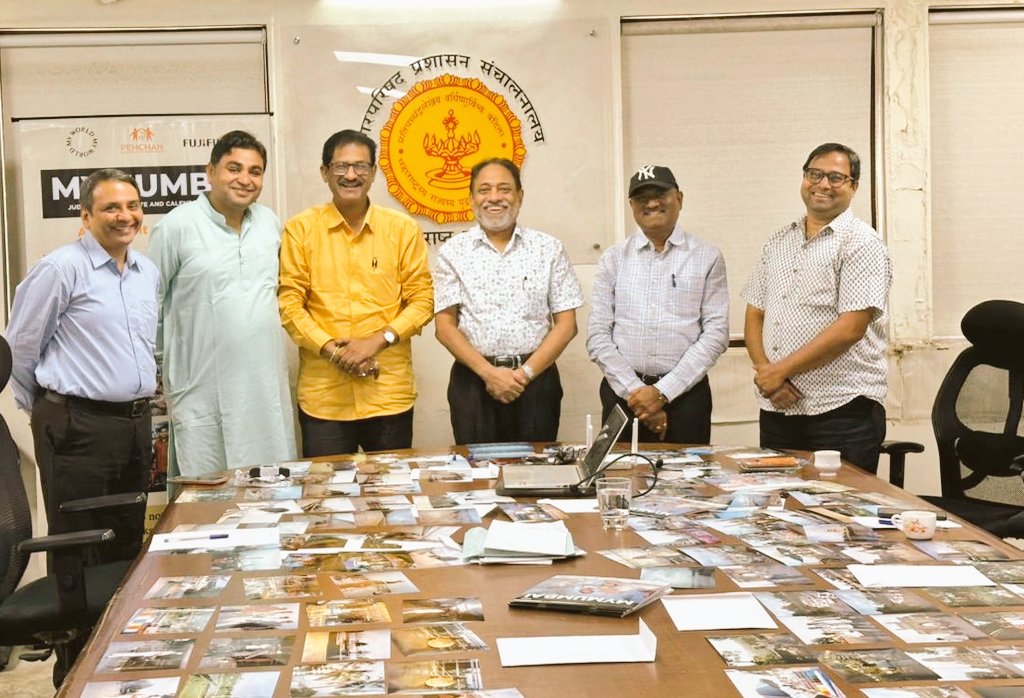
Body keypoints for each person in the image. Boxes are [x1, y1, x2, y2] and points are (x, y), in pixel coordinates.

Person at [5, 168, 158, 685]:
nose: (125, 216)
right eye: (111, 207)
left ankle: (118, 669)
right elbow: (19, 350)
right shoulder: (61, 268)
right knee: (78, 552)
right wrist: (51, 413)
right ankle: (73, 676)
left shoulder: (146, 271)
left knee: (125, 549)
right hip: (77, 427)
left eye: (132, 205)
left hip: (134, 425)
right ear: (86, 215)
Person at [148, 130, 296, 477]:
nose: (245, 179)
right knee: (206, 490)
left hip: (263, 389)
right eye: (234, 168)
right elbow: (149, 306)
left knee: (270, 485)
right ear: (210, 171)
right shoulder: (175, 227)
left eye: (255, 171)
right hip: (202, 388)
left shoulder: (269, 224)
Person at [279, 129, 433, 456]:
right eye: (341, 166)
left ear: (373, 172)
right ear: (325, 172)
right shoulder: (300, 229)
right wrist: (332, 351)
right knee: (326, 487)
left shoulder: (402, 229)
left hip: (387, 393)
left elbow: (423, 300)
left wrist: (376, 341)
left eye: (361, 166)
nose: (351, 175)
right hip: (324, 399)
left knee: (392, 486)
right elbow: (290, 304)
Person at [742, 142, 892, 473]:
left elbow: (850, 328)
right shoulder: (778, 241)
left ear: (853, 186)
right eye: (815, 174)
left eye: (836, 178)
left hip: (842, 411)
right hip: (778, 407)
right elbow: (755, 313)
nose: (823, 184)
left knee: (841, 503)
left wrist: (779, 371)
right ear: (804, 178)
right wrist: (768, 374)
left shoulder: (862, 243)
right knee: (781, 501)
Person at [433, 158, 584, 444]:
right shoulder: (453, 252)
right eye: (484, 190)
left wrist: (524, 375)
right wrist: (489, 374)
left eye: (504, 189)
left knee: (536, 465)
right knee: (476, 468)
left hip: (536, 380)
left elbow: (567, 325)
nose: (494, 198)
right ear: (471, 198)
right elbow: (444, 327)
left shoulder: (548, 249)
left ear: (520, 196)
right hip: (473, 381)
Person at [587, 165, 729, 444]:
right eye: (642, 198)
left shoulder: (708, 256)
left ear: (679, 198)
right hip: (622, 395)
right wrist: (637, 393)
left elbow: (716, 334)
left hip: (686, 397)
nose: (652, 203)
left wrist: (662, 392)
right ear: (631, 205)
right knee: (622, 469)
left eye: (660, 194)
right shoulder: (613, 258)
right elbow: (597, 335)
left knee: (690, 471)